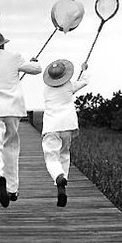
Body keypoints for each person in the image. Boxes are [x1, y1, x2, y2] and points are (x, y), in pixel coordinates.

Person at [0, 31, 41, 208]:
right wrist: (33, 62)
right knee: (11, 146)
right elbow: (37, 70)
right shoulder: (15, 57)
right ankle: (12, 190)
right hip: (12, 108)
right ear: (3, 44)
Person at [41, 59, 89, 207]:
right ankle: (62, 182)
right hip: (67, 125)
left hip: (51, 126)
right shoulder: (70, 86)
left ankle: (58, 177)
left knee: (51, 157)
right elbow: (84, 82)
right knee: (64, 154)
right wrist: (84, 69)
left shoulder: (46, 90)